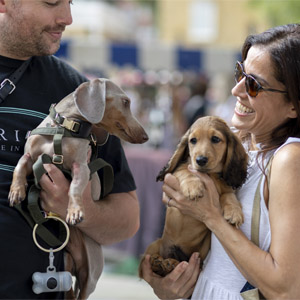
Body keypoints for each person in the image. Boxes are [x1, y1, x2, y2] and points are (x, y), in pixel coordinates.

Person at [140, 23, 300, 299]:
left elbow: (286, 289)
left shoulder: (289, 158)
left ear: (294, 105)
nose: (237, 90)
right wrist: (171, 284)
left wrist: (211, 216)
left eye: (254, 85)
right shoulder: (240, 144)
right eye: (240, 72)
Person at [0, 0, 140, 299]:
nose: (67, 18)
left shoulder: (79, 96)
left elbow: (128, 218)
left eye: (70, 2)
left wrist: (76, 207)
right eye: (51, 2)